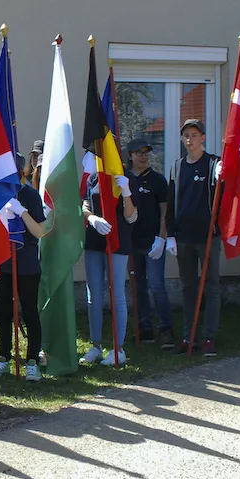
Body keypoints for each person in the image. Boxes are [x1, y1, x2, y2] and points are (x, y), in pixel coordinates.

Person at [0, 156, 49, 381]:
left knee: (29, 311)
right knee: (3, 310)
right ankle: (4, 357)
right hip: (3, 260)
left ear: (21, 170)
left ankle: (32, 360)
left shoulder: (29, 194)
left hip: (27, 263)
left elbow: (39, 231)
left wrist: (21, 211)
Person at [165, 119, 222, 355]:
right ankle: (189, 337)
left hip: (208, 236)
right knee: (188, 287)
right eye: (187, 135)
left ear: (203, 138)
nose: (190, 139)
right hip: (183, 237)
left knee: (211, 286)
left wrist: (222, 177)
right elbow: (171, 203)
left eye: (195, 135)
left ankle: (209, 337)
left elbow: (226, 194)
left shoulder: (214, 164)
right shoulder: (177, 167)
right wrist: (170, 235)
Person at [79, 156, 138, 365]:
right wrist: (91, 218)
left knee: (117, 294)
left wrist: (126, 192)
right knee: (93, 295)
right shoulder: (94, 177)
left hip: (117, 243)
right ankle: (95, 346)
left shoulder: (126, 177)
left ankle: (118, 349)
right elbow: (84, 204)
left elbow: (131, 216)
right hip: (94, 242)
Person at [125, 139, 173, 347]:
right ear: (130, 155)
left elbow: (165, 213)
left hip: (153, 242)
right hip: (131, 242)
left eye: (146, 152)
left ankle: (166, 329)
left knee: (156, 285)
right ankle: (144, 328)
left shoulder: (157, 180)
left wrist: (161, 238)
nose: (143, 156)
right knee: (138, 287)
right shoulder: (124, 179)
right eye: (139, 152)